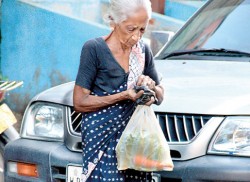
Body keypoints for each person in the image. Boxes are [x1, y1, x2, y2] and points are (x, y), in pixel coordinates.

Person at [73, 0, 164, 181]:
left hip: (133, 140)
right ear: (114, 21)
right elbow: (80, 102)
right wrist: (124, 95)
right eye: (131, 29)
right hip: (101, 137)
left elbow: (160, 95)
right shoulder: (94, 49)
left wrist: (151, 87)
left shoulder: (143, 51)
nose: (137, 37)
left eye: (142, 30)